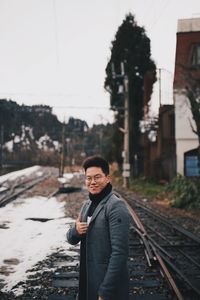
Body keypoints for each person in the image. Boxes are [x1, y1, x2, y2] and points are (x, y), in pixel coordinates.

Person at [67, 155, 130, 300]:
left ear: (107, 178)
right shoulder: (86, 205)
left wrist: (105, 291)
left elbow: (120, 253)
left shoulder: (116, 206)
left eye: (97, 177)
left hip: (106, 288)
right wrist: (75, 231)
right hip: (88, 283)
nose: (92, 182)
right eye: (88, 178)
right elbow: (70, 239)